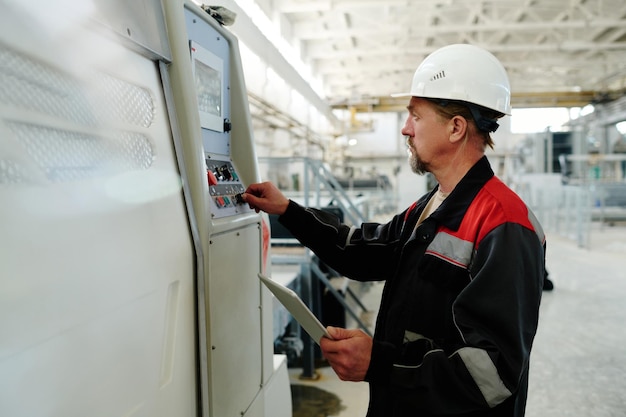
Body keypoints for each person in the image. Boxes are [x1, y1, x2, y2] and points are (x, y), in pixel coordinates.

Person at [243, 44, 546, 417]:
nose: (405, 129)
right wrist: (287, 210)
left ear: (455, 128)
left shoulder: (504, 223)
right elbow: (362, 251)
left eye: (415, 116)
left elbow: (492, 374)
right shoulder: (433, 204)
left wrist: (381, 362)